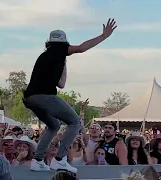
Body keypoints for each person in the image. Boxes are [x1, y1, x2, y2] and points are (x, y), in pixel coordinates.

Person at [23, 19, 117, 173]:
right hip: (44, 96)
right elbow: (81, 48)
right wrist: (103, 36)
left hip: (30, 98)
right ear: (63, 43)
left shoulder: (45, 56)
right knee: (75, 121)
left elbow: (61, 84)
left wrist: (64, 63)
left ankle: (38, 160)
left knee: (54, 125)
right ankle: (60, 159)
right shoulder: (60, 50)